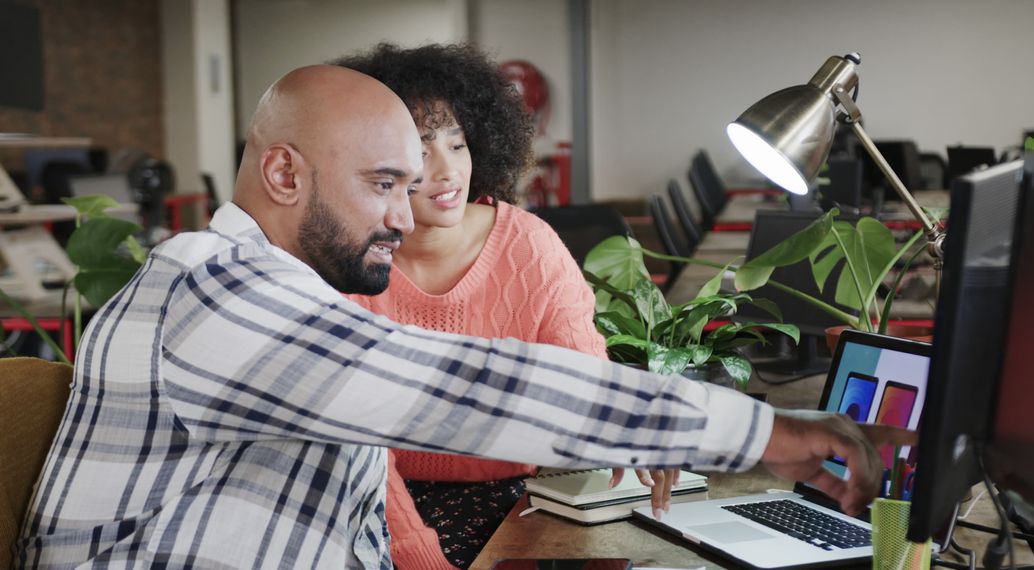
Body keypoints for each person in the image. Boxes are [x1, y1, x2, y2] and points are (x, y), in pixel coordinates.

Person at [17, 64, 914, 569]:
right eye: (382, 186)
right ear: (285, 175)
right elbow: (464, 387)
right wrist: (769, 434)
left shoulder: (296, 301)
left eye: (412, 186)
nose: (407, 218)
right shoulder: (212, 294)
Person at [331, 43, 646, 569]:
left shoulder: (530, 245)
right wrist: (420, 557)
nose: (448, 171)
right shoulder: (346, 264)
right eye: (421, 150)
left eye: (457, 145)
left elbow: (582, 376)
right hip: (373, 499)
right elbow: (361, 453)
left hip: (515, 497)